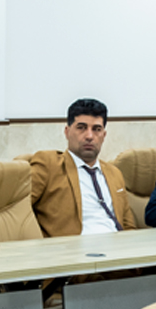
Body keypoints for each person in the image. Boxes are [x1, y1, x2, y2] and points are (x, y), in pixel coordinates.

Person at [27, 98, 134, 237]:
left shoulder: (114, 173)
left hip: (118, 246)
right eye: (81, 128)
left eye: (97, 129)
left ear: (104, 135)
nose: (89, 136)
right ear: (67, 132)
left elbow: (128, 226)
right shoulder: (49, 164)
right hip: (73, 248)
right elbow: (21, 214)